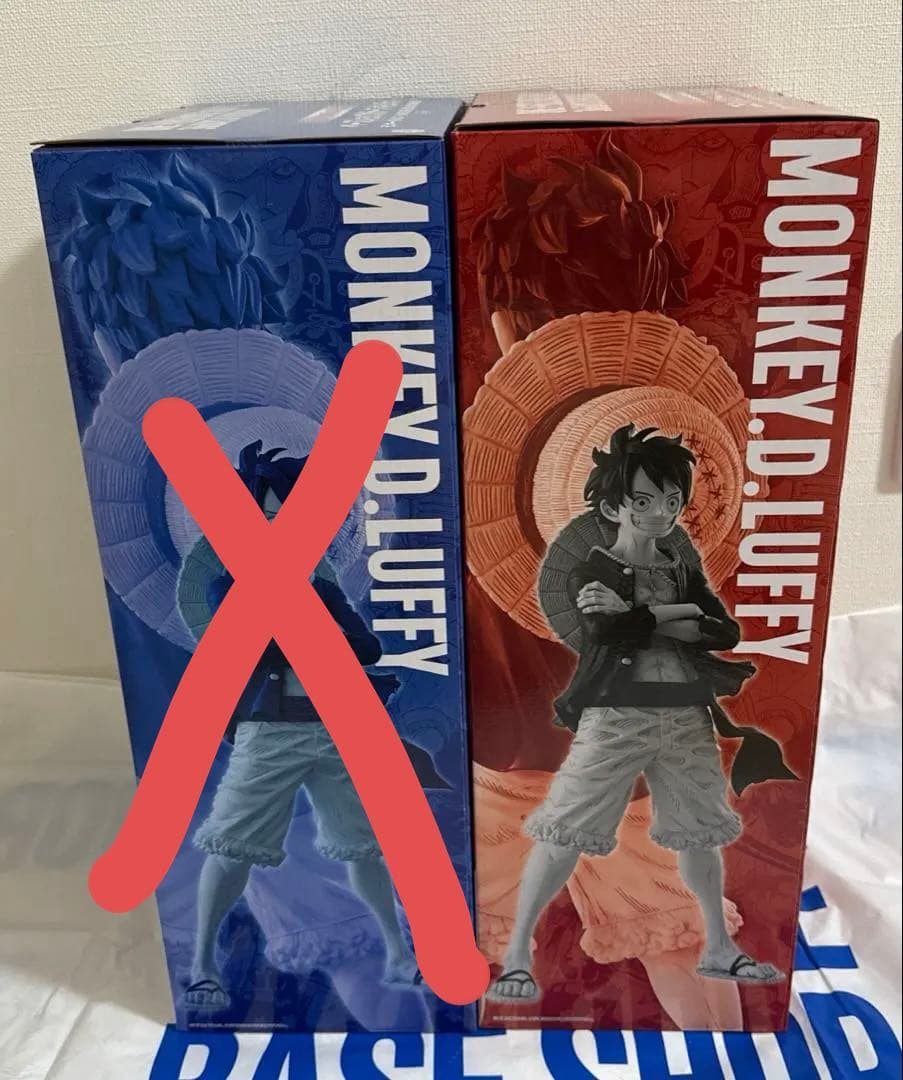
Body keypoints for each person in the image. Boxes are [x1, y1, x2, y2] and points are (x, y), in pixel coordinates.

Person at [488, 423, 787, 1002]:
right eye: (645, 502)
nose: (662, 514)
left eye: (672, 500)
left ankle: (719, 946)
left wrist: (647, 615)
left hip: (686, 714)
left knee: (700, 833)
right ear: (613, 507)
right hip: (615, 716)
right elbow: (607, 632)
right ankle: (518, 953)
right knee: (565, 829)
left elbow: (723, 630)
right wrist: (673, 618)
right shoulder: (592, 569)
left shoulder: (680, 565)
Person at [183, 441, 419, 1010]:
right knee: (233, 844)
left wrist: (315, 623)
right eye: (267, 518)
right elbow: (244, 649)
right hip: (269, 729)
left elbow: (366, 646)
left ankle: (397, 948)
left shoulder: (323, 586)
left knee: (363, 845)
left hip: (338, 725)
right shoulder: (228, 588)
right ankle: (202, 962)